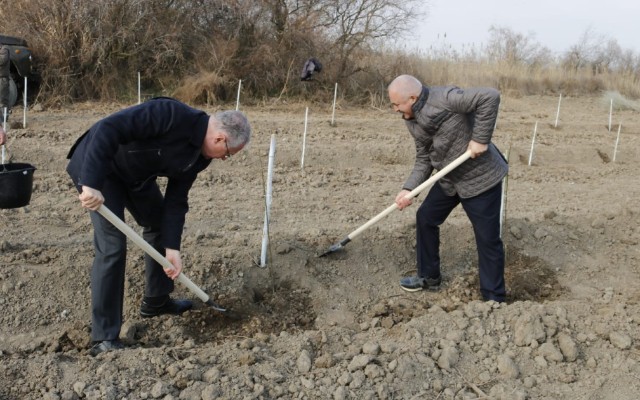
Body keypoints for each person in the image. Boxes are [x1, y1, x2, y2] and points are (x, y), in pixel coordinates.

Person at [66, 97, 251, 356]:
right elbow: (109, 128)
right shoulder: (170, 114)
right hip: (100, 169)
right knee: (112, 246)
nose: (224, 159)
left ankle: (156, 301)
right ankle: (104, 337)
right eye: (229, 154)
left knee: (158, 225)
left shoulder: (200, 157)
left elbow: (176, 201)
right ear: (220, 139)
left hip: (135, 177)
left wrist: (172, 247)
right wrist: (91, 183)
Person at [388, 75, 508, 302]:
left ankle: (494, 299)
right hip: (449, 180)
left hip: (480, 179)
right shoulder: (411, 119)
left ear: (412, 98)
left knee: (487, 239)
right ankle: (429, 276)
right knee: (426, 217)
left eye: (396, 104)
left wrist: (480, 139)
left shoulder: (445, 98)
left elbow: (490, 96)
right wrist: (409, 189)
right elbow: (424, 158)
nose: (394, 109)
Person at [0, 43, 11, 117]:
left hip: (2, 78)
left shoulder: (4, 49)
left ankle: (4, 117)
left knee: (2, 100)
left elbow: (2, 61)